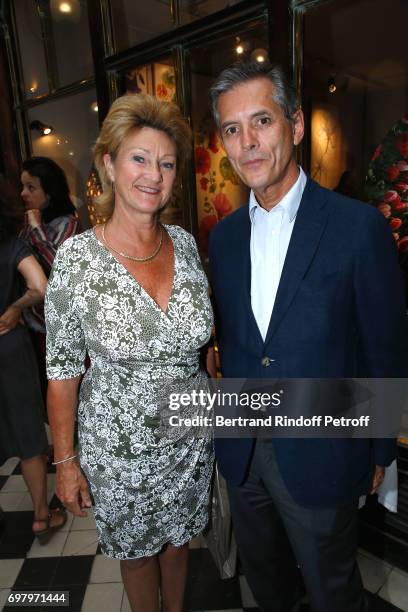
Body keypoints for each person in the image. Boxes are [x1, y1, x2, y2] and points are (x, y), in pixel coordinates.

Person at [208, 61, 407, 612]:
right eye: (231, 129)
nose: (247, 143)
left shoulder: (357, 227)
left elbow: (385, 350)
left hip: (323, 448)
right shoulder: (222, 240)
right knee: (265, 586)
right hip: (242, 451)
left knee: (333, 591)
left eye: (261, 122)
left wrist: (379, 448)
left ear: (295, 126)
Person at [45, 94, 214, 612]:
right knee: (138, 556)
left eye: (165, 163)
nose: (153, 175)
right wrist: (66, 463)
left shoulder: (185, 243)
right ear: (110, 166)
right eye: (139, 158)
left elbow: (201, 337)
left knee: (180, 544)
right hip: (119, 451)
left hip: (189, 441)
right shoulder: (77, 257)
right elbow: (62, 370)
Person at [0, 196, 66, 542]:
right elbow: (41, 286)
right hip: (10, 346)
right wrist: (15, 307)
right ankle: (41, 515)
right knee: (28, 433)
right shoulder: (12, 246)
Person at [19, 157, 81, 403]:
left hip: (58, 329)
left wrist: (36, 229)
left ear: (50, 191)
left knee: (64, 394)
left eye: (31, 187)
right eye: (22, 186)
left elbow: (60, 268)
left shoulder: (70, 224)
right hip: (30, 323)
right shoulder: (26, 224)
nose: (23, 193)